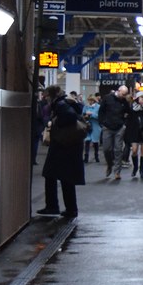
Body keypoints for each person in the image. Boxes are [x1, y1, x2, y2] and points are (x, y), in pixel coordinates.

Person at [37, 85, 85, 218]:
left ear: (51, 95)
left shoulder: (60, 104)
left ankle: (54, 206)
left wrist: (55, 122)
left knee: (51, 174)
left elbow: (68, 117)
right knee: (65, 178)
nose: (44, 98)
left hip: (62, 145)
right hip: (70, 145)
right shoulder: (67, 101)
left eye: (46, 96)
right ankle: (69, 208)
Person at [98, 85, 130, 180]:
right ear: (118, 91)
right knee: (106, 149)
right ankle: (109, 164)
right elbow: (101, 111)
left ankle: (117, 172)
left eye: (125, 95)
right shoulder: (107, 98)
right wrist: (102, 123)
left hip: (119, 128)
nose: (123, 96)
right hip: (107, 127)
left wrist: (124, 123)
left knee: (118, 150)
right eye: (123, 94)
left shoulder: (124, 101)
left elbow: (128, 112)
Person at [81, 94, 101, 163]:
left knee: (95, 142)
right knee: (87, 141)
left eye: (91, 100)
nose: (90, 102)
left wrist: (91, 114)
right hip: (87, 126)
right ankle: (86, 157)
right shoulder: (86, 106)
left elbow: (100, 116)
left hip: (95, 126)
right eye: (89, 100)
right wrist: (85, 115)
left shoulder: (98, 107)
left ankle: (96, 156)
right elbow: (82, 115)